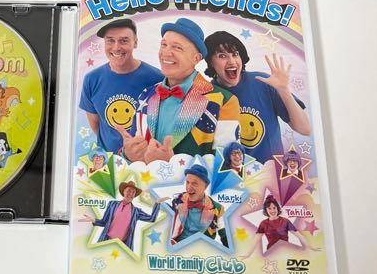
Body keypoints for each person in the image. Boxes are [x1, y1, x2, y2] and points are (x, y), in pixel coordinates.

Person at [120, 18, 240, 164]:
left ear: (196, 58)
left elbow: (229, 167)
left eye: (177, 47)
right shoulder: (146, 95)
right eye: (164, 45)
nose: (166, 53)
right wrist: (128, 155)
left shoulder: (224, 101)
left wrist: (171, 166)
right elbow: (133, 160)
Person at [203, 30, 310, 163]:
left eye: (235, 54)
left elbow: (304, 129)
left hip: (271, 171)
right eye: (222, 56)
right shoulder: (208, 96)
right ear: (210, 62)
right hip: (231, 173)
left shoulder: (263, 82)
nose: (232, 61)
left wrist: (283, 90)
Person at [79, 18, 162, 156]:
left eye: (123, 41)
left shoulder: (157, 78)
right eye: (110, 40)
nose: (116, 47)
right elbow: (96, 124)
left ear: (135, 43)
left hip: (145, 161)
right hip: (108, 161)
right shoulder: (91, 79)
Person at [81, 181, 160, 250]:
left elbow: (151, 218)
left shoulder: (136, 211)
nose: (131, 194)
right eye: (129, 191)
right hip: (106, 241)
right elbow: (104, 222)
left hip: (123, 246)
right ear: (123, 192)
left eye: (133, 192)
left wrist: (157, 203)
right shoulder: (112, 205)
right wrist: (94, 220)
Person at [167, 163, 223, 245]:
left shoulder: (217, 208)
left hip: (201, 250)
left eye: (194, 183)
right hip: (176, 247)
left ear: (205, 186)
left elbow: (226, 236)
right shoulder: (177, 200)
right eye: (187, 182)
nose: (189, 188)